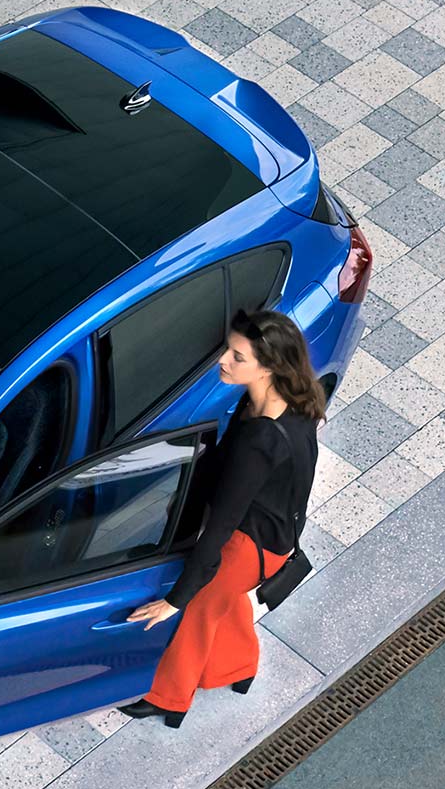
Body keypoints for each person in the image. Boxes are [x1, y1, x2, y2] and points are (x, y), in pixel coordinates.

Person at [120, 308, 324, 728]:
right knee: (225, 605)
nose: (223, 361)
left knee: (199, 612)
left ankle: (169, 698)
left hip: (246, 548)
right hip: (276, 538)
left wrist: (175, 600)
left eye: (237, 357)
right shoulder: (292, 408)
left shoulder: (260, 440)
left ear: (267, 367)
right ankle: (238, 667)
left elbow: (219, 531)